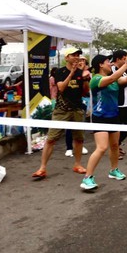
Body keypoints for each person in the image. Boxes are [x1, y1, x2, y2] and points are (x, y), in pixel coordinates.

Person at [80, 52, 127, 191]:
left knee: (115, 145)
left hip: (113, 116)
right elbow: (112, 79)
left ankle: (114, 170)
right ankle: (87, 178)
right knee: (102, 147)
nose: (110, 64)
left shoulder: (114, 78)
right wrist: (126, 64)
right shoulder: (96, 79)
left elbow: (125, 80)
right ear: (100, 64)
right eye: (107, 62)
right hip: (100, 117)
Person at [32, 48, 88, 179]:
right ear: (67, 57)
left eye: (78, 55)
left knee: (79, 139)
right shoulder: (59, 71)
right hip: (61, 110)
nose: (76, 57)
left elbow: (85, 91)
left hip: (77, 109)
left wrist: (85, 79)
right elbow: (61, 88)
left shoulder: (81, 72)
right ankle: (42, 168)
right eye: (73, 55)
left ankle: (78, 164)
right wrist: (72, 73)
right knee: (51, 139)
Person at [110, 50, 127, 159]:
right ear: (118, 59)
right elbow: (122, 82)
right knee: (116, 129)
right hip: (117, 103)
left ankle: (116, 145)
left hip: (126, 102)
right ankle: (114, 149)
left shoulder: (124, 70)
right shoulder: (113, 69)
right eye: (125, 58)